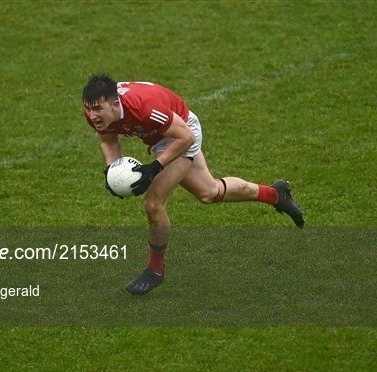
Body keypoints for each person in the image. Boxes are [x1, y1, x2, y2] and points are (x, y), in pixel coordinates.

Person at [82, 74, 304, 296]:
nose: (92, 115)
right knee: (209, 192)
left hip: (183, 132)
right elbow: (109, 141)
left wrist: (154, 168)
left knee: (153, 203)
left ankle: (155, 270)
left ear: (114, 104)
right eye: (89, 109)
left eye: (97, 109)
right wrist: (111, 171)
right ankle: (276, 195)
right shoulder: (97, 114)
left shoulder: (145, 107)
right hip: (161, 135)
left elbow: (185, 137)